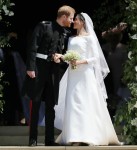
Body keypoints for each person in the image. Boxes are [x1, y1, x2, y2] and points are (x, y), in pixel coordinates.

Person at [54, 12, 121, 146]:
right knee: (73, 103)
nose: (74, 22)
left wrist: (80, 62)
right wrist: (63, 57)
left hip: (85, 74)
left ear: (83, 22)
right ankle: (74, 135)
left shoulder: (90, 38)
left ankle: (88, 134)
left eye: (76, 20)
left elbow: (95, 58)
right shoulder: (71, 38)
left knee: (85, 102)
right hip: (73, 74)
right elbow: (69, 55)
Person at [22, 5, 75, 146]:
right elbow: (33, 46)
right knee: (37, 102)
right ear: (63, 17)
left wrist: (60, 59)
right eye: (70, 18)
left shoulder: (65, 32)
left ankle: (49, 140)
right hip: (39, 69)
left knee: (51, 106)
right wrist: (30, 68)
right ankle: (33, 139)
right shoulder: (44, 26)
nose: (72, 21)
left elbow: (61, 52)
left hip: (53, 71)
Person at [101, 23, 129, 119]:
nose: (113, 39)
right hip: (106, 75)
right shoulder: (104, 47)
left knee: (118, 93)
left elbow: (126, 63)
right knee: (107, 94)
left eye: (115, 37)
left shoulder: (123, 48)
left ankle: (116, 114)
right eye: (112, 37)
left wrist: (124, 76)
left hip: (118, 73)